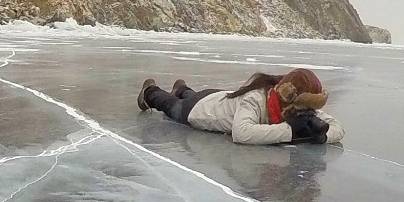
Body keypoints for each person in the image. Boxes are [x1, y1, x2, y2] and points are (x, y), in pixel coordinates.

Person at [137, 67, 343, 145]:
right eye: (301, 108)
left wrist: (321, 136)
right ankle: (150, 91)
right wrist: (290, 130)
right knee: (171, 106)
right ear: (287, 98)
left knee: (191, 96)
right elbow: (241, 133)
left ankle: (182, 89)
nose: (305, 114)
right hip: (200, 111)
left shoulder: (298, 106)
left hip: (218, 98)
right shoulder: (255, 99)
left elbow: (338, 128)